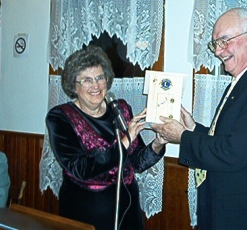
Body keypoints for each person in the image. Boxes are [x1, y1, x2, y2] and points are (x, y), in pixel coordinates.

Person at [151, 8, 247, 229]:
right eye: (215, 44)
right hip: (232, 212)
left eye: (224, 41)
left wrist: (183, 137)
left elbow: (234, 152)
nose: (218, 51)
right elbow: (230, 139)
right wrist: (193, 128)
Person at [46, 45, 166, 230]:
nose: (95, 85)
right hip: (86, 211)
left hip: (128, 210)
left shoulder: (121, 109)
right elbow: (81, 169)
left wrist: (158, 143)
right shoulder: (60, 117)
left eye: (100, 78)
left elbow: (136, 163)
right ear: (73, 86)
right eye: (86, 80)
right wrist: (127, 139)